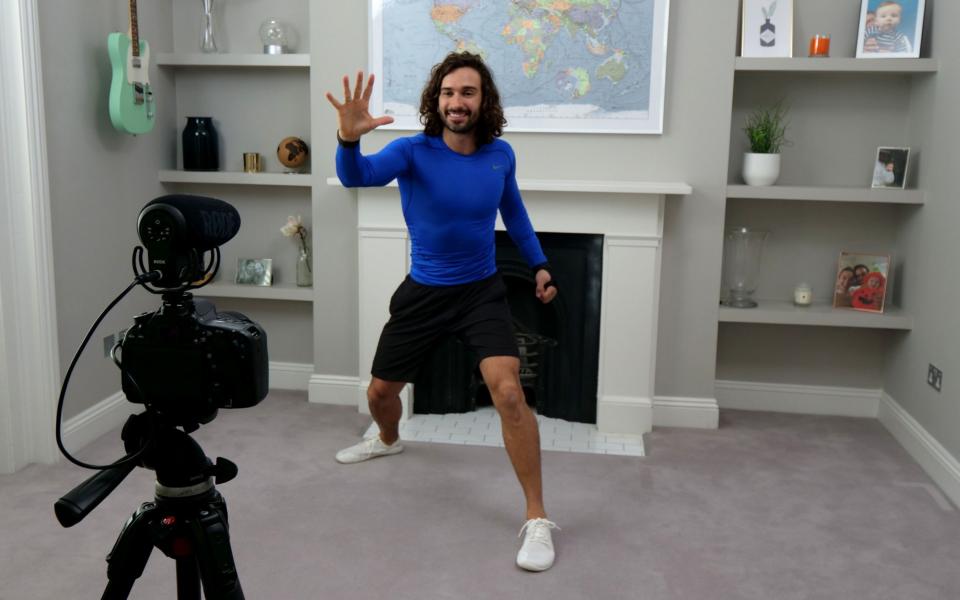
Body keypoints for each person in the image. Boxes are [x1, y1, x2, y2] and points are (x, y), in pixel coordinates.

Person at [325, 51, 560, 572]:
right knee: (380, 394)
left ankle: (537, 517)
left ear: (483, 101)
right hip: (425, 293)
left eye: (468, 92)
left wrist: (540, 265)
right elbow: (358, 177)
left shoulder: (500, 156)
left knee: (508, 392)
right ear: (437, 100)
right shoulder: (411, 151)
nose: (457, 102)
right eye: (449, 92)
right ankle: (388, 440)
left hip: (481, 292)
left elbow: (514, 213)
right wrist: (348, 138)